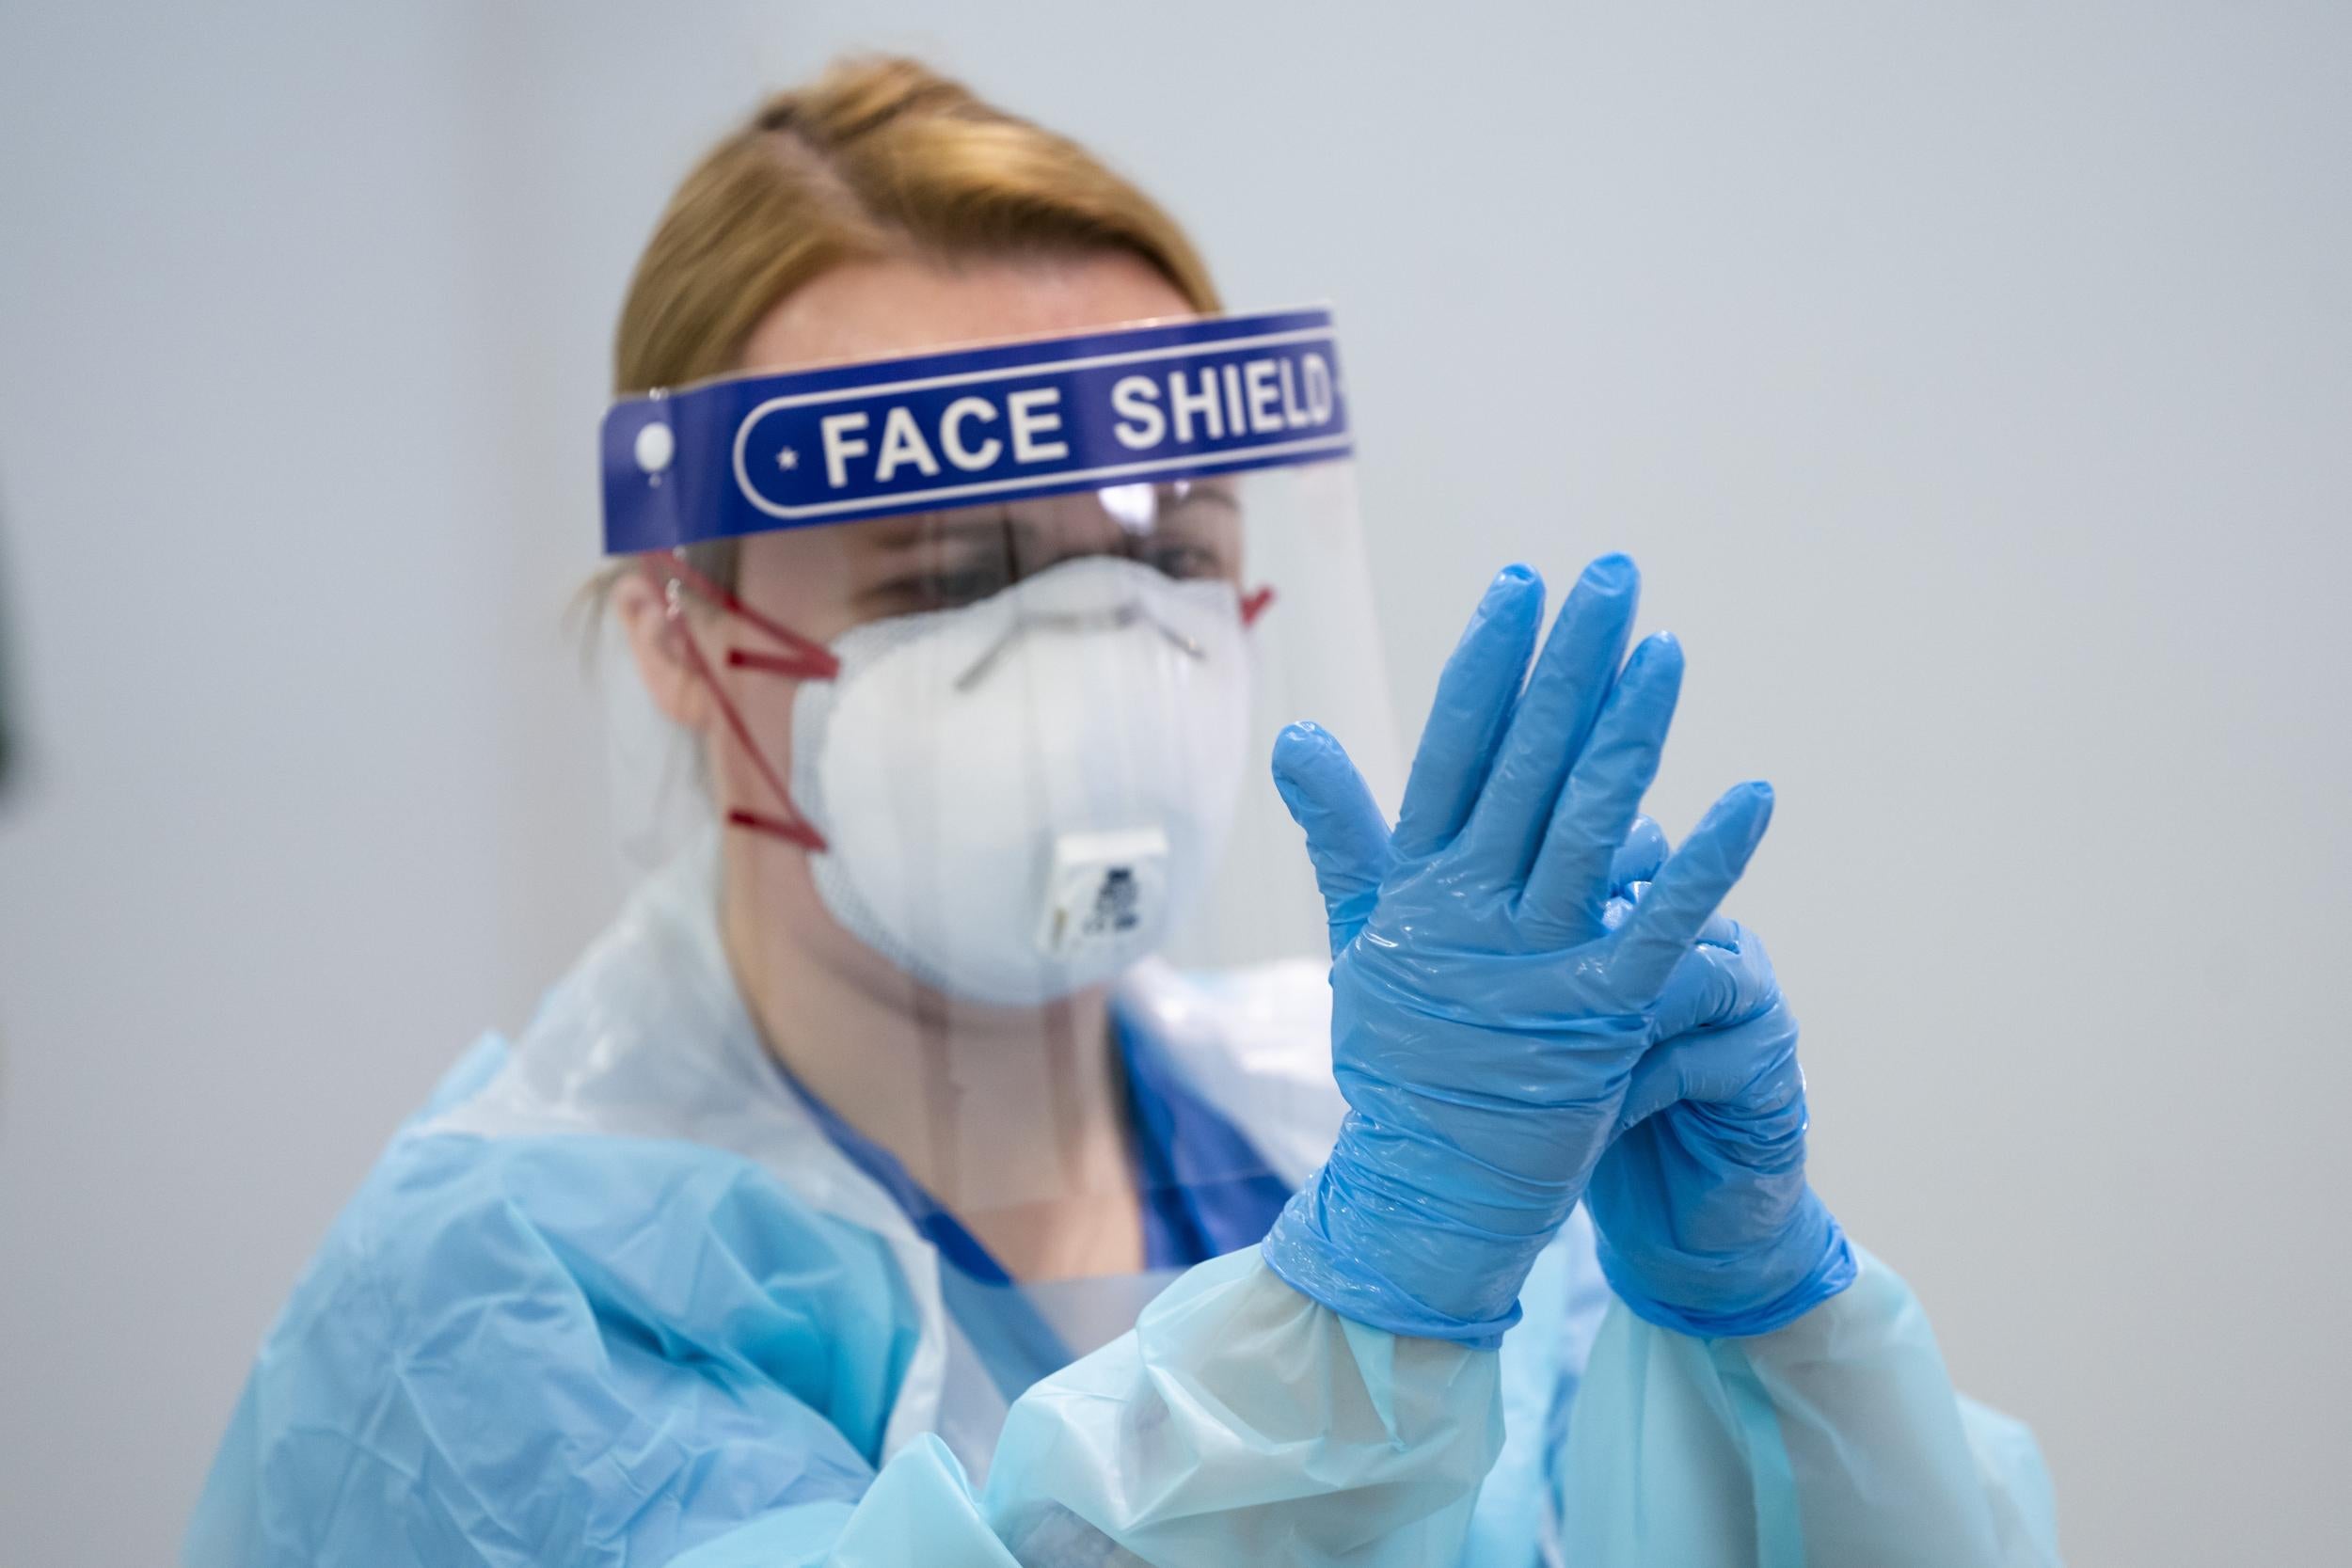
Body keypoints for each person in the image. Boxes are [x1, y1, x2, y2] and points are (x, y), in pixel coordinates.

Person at [188, 57, 2060, 1567]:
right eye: (936, 579)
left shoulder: (1362, 1133)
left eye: (1169, 556)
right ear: (685, 636)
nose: (1095, 668)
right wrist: (1368, 1322)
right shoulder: (498, 1313)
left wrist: (1750, 1332)